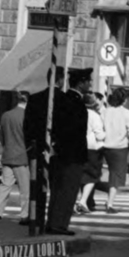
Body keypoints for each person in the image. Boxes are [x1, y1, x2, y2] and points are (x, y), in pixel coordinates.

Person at [26, 73, 90, 234]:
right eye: (88, 80)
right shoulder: (69, 101)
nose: (90, 83)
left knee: (49, 189)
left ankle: (44, 221)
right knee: (65, 191)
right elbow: (69, 129)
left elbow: (29, 128)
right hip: (69, 154)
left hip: (48, 152)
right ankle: (57, 224)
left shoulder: (42, 98)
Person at [0, 90, 30, 221]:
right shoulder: (27, 116)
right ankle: (24, 215)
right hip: (22, 156)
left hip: (8, 155)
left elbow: (2, 137)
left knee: (5, 186)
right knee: (25, 189)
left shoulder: (5, 115)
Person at [98, 87, 129, 213]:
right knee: (115, 177)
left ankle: (88, 199)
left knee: (96, 172)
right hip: (120, 148)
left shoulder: (104, 112)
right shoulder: (127, 113)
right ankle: (109, 204)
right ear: (124, 100)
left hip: (104, 146)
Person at [77, 89, 107, 214]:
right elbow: (99, 135)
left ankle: (78, 200)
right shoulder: (94, 116)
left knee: (79, 176)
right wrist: (107, 134)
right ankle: (83, 201)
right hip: (91, 148)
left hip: (78, 147)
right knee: (91, 176)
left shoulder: (77, 113)